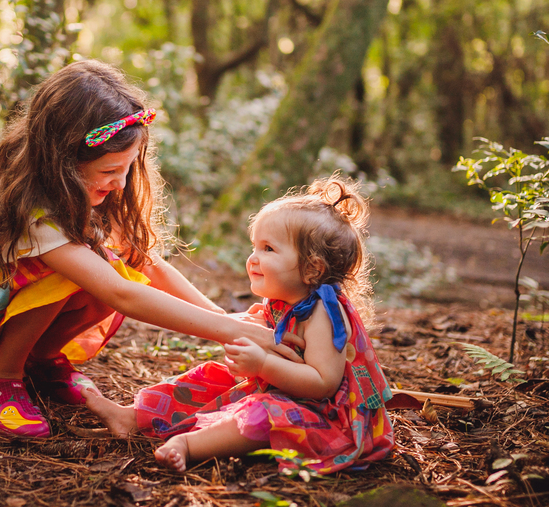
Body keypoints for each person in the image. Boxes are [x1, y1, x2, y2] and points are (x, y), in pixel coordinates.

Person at [0, 60, 295, 438]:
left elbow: (146, 263)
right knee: (82, 269)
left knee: (109, 259)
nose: (121, 182)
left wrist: (225, 317)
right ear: (63, 161)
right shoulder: (29, 207)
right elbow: (121, 293)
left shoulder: (76, 190)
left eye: (128, 167)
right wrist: (229, 332)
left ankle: (39, 362)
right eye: (110, 170)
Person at [84, 175, 395, 475]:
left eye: (268, 249)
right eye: (254, 246)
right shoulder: (284, 301)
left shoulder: (324, 314)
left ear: (312, 268)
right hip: (278, 391)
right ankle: (133, 417)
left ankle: (189, 445)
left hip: (324, 418)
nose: (253, 259)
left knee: (261, 414)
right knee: (209, 378)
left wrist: (262, 364)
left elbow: (321, 384)